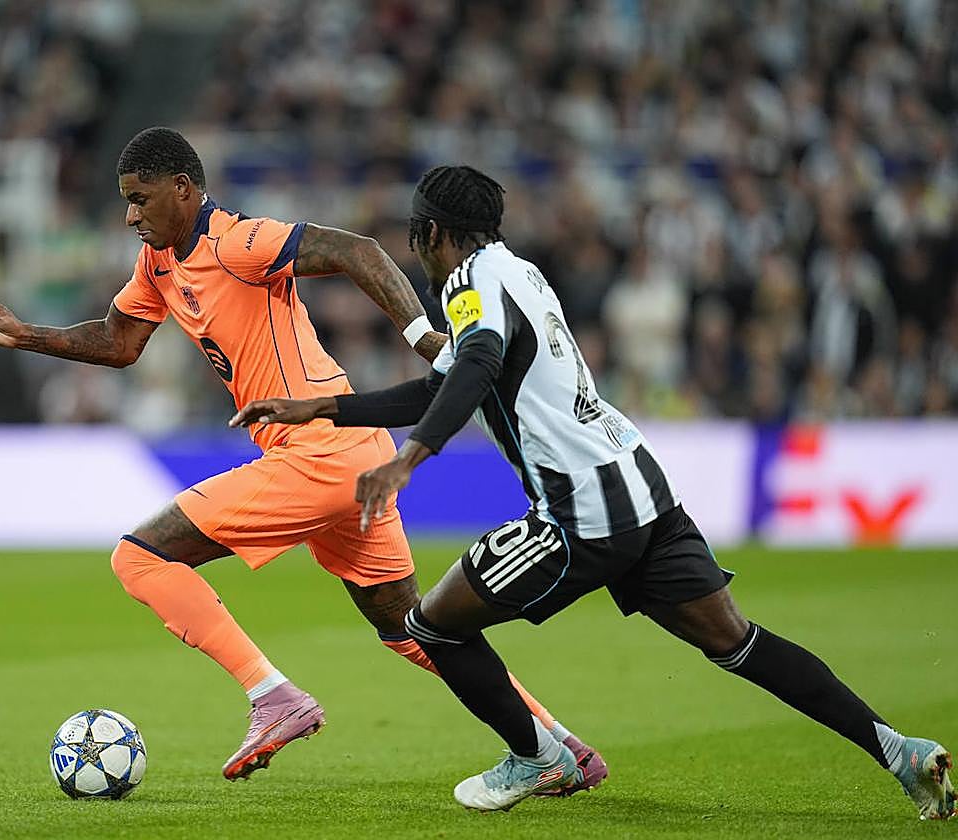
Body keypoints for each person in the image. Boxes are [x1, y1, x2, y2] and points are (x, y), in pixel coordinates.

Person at [230, 164, 954, 818]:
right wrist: (322, 407)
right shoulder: (521, 273)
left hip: (581, 510)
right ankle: (899, 750)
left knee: (433, 624)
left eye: (417, 237)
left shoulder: (468, 283)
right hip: (640, 484)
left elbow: (475, 366)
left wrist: (410, 459)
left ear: (433, 234)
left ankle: (537, 758)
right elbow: (439, 385)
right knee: (735, 640)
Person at [0, 129, 605, 788]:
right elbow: (119, 342)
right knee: (414, 630)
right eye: (127, 201)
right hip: (352, 452)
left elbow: (356, 249)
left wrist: (421, 338)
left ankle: (272, 696)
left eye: (140, 199)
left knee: (140, 557)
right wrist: (25, 335)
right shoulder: (158, 263)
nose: (129, 216)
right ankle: (562, 745)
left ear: (183, 189)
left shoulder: (238, 242)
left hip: (316, 452)